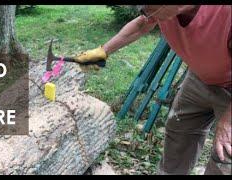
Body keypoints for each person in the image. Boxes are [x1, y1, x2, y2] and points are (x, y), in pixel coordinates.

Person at [74, 5, 231, 175]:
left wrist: (228, 121)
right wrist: (102, 52)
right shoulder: (159, 10)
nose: (144, 13)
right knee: (179, 131)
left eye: (146, 8)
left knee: (225, 155)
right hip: (199, 78)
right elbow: (142, 24)